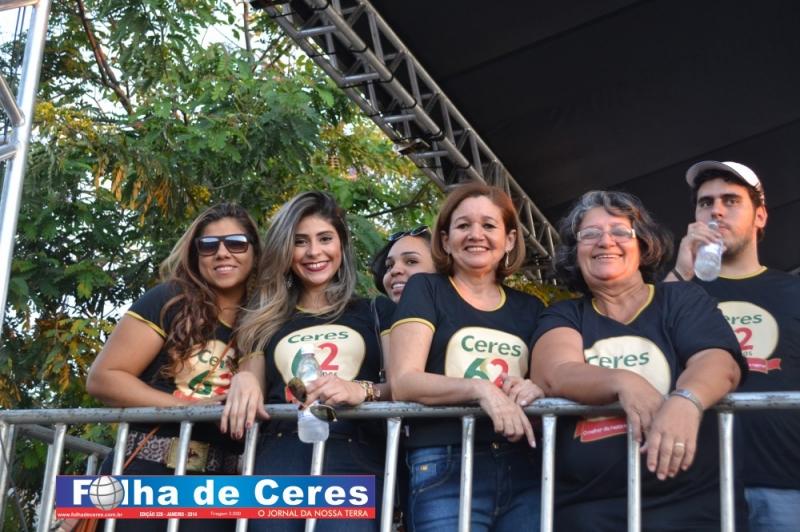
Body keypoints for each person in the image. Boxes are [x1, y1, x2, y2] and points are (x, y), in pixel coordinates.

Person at [530, 190, 747, 531]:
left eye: (620, 231)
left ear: (643, 245)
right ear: (575, 252)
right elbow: (553, 372)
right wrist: (623, 381)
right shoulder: (564, 314)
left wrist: (686, 400)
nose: (605, 241)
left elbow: (718, 361)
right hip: (589, 511)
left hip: (692, 508)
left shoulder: (680, 299)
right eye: (590, 234)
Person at [86, 203, 261, 532]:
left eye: (236, 243)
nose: (222, 253)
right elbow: (103, 378)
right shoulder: (168, 299)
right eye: (208, 245)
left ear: (255, 251)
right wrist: (190, 409)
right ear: (195, 254)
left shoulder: (267, 319)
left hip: (222, 487)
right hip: (147, 471)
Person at [220, 191, 388, 532]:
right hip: (280, 455)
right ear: (285, 250)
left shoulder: (375, 311)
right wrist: (243, 378)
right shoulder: (265, 319)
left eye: (325, 239)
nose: (314, 252)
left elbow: (407, 384)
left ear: (342, 244)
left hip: (352, 453)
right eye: (300, 242)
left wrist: (363, 390)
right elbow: (252, 381)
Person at [389, 183, 545, 532]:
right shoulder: (426, 288)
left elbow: (543, 381)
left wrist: (535, 389)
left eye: (489, 225)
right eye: (463, 225)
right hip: (445, 460)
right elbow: (404, 382)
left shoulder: (531, 308)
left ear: (509, 240)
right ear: (445, 241)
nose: (476, 235)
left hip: (523, 462)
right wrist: (480, 389)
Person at [666, 161, 800, 531]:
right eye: (705, 203)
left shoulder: (792, 291)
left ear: (761, 216)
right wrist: (682, 271)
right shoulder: (678, 290)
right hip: (694, 486)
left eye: (731, 200)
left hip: (786, 483)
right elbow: (651, 340)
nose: (717, 211)